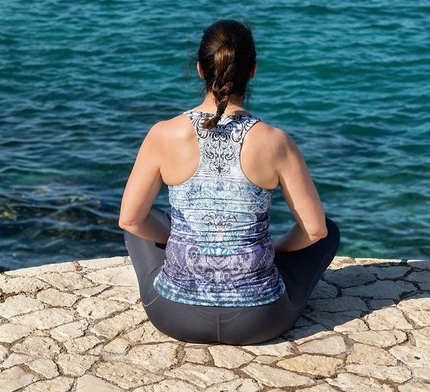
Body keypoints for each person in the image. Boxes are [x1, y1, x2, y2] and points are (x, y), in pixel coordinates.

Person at [118, 19, 341, 345]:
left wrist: (180, 239)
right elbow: (315, 230)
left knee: (138, 221)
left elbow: (130, 219)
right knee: (328, 231)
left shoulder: (163, 134)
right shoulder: (275, 141)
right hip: (259, 320)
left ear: (199, 69)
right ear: (253, 70)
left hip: (174, 316)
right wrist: (274, 249)